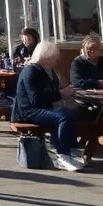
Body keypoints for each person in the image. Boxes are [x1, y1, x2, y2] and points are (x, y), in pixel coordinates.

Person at [12, 41, 85, 171]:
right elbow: (35, 99)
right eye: (54, 57)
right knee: (63, 116)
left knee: (71, 113)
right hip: (29, 111)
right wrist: (60, 93)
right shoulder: (31, 71)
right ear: (45, 56)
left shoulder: (50, 72)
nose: (57, 60)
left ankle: (71, 152)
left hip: (45, 107)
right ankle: (63, 155)